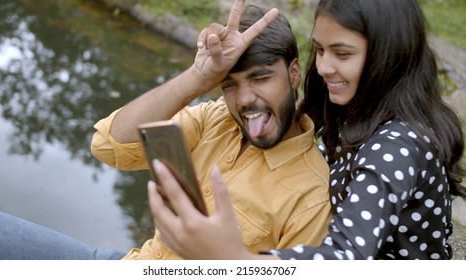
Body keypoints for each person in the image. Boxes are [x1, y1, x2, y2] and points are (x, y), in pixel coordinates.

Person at [147, 0, 466, 260]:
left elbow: (345, 255)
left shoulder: (397, 145)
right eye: (320, 49)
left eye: (342, 53)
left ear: (389, 56)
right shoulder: (352, 106)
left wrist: (234, 259)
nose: (324, 66)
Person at [89, 1, 332, 260]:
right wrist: (197, 77)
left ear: (294, 74)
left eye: (260, 78)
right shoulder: (214, 118)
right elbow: (108, 146)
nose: (244, 99)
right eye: (229, 85)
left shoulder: (313, 196)